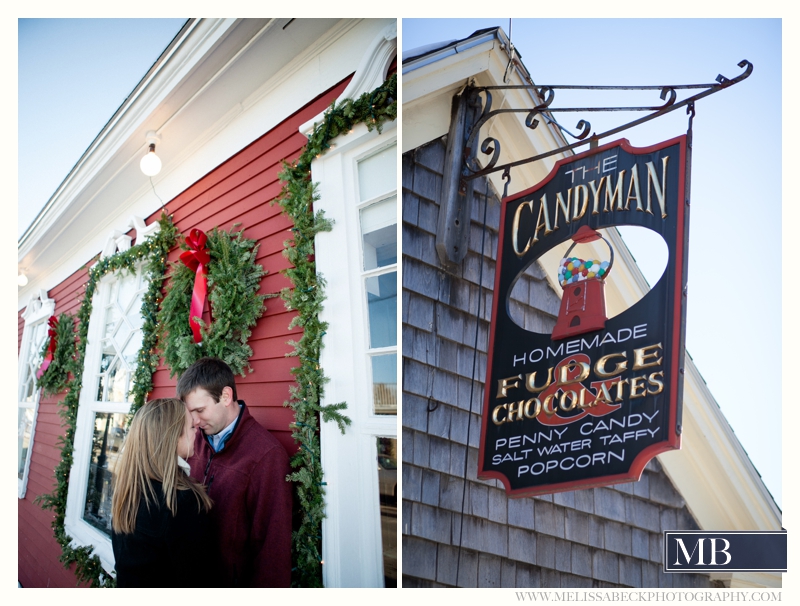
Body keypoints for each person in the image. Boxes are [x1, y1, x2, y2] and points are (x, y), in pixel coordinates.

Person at [177, 357, 292, 587]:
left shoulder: (266, 455)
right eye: (191, 414)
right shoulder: (192, 441)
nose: (195, 422)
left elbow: (273, 550)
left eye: (200, 410)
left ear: (226, 397)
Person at [111, 398, 217, 587]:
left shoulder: (129, 488)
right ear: (174, 436)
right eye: (192, 427)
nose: (197, 432)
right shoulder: (181, 502)